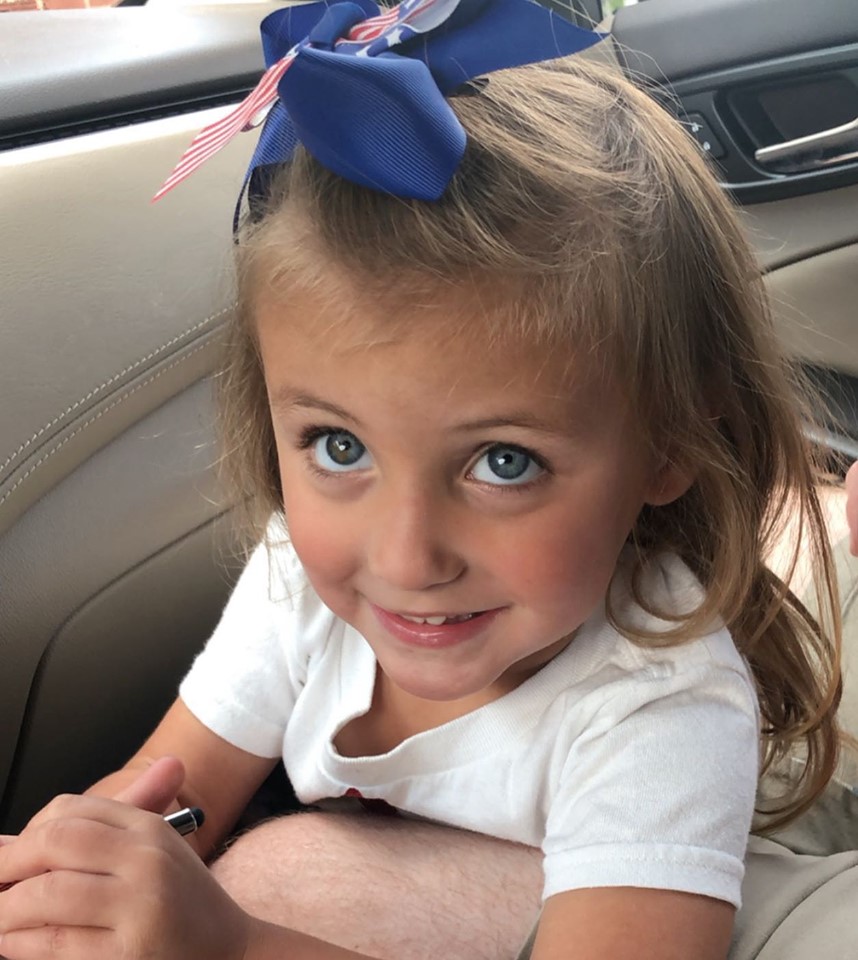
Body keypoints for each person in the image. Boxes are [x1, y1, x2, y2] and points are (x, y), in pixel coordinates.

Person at [0, 0, 846, 957]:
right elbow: (169, 798)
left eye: (503, 463)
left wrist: (232, 945)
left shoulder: (661, 708)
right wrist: (74, 878)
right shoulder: (298, 578)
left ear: (670, 447)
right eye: (339, 447)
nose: (405, 558)